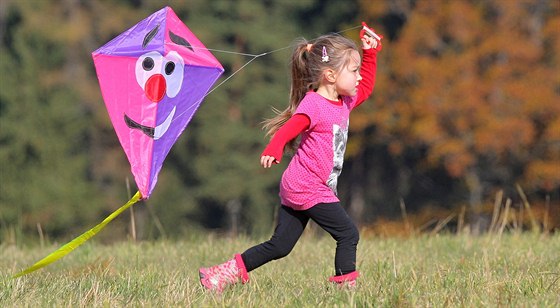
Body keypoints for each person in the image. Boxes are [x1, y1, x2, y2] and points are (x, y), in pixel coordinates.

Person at [199, 27, 382, 292]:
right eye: (353, 70)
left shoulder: (343, 101)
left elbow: (365, 88)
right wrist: (274, 147)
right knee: (348, 233)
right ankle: (346, 293)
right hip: (307, 186)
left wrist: (370, 54)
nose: (358, 76)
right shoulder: (314, 103)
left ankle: (219, 275)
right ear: (330, 75)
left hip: (300, 184)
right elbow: (291, 127)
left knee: (280, 246)